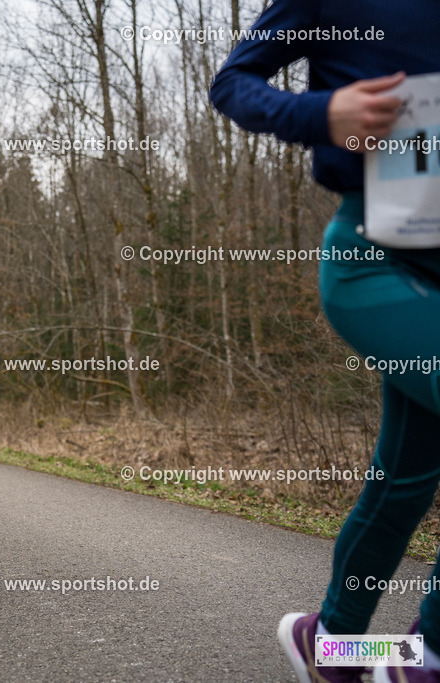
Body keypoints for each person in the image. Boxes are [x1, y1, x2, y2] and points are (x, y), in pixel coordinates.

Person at [210, 4, 440, 681]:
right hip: (376, 259)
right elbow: (232, 82)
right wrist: (322, 113)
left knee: (405, 479)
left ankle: (334, 644)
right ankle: (425, 655)